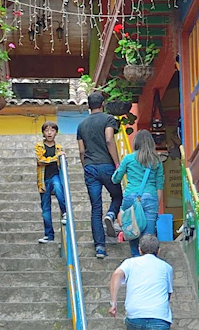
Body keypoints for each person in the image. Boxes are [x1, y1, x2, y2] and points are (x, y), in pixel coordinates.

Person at [74, 91, 123, 259]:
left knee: (95, 207)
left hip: (90, 167)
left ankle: (100, 247)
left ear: (88, 106)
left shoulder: (81, 125)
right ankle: (111, 214)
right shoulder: (108, 119)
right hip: (107, 165)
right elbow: (109, 139)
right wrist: (117, 163)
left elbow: (82, 151)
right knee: (117, 196)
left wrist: (85, 166)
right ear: (103, 104)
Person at [113, 127, 164, 257]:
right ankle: (149, 259)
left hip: (131, 197)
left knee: (132, 229)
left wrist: (118, 169)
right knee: (148, 235)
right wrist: (155, 205)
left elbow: (116, 179)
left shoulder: (128, 159)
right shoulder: (156, 161)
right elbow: (159, 185)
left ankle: (136, 256)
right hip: (151, 197)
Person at [35, 121, 68, 243]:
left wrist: (63, 158)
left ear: (56, 132)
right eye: (47, 130)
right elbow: (40, 160)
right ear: (43, 132)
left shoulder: (59, 148)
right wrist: (56, 158)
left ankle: (65, 212)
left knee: (59, 187)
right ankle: (49, 235)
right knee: (45, 209)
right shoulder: (39, 146)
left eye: (52, 130)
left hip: (55, 176)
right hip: (43, 180)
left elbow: (64, 164)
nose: (49, 133)